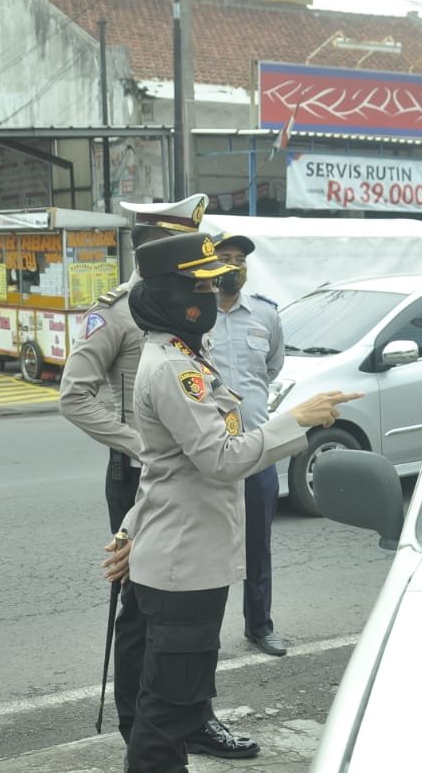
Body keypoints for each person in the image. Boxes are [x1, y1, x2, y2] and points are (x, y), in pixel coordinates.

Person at [102, 232, 361, 773]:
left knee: (170, 700)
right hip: (185, 567)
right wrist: (299, 420)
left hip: (176, 554)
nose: (214, 294)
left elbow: (161, 467)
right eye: (203, 285)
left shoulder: (184, 353)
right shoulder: (176, 367)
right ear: (173, 295)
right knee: (168, 710)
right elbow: (219, 459)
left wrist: (132, 530)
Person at [59, 194, 260, 759]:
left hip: (182, 475)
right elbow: (75, 395)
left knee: (186, 619)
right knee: (147, 613)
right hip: (144, 474)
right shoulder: (120, 309)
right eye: (178, 239)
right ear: (150, 245)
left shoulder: (188, 305)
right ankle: (147, 726)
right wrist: (143, 447)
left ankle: (191, 715)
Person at [208, 232, 288, 657]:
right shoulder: (195, 313)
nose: (234, 265)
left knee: (258, 545)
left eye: (240, 259)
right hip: (210, 451)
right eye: (226, 257)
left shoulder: (265, 315)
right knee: (209, 546)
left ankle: (260, 626)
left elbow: (272, 367)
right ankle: (205, 633)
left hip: (256, 446)